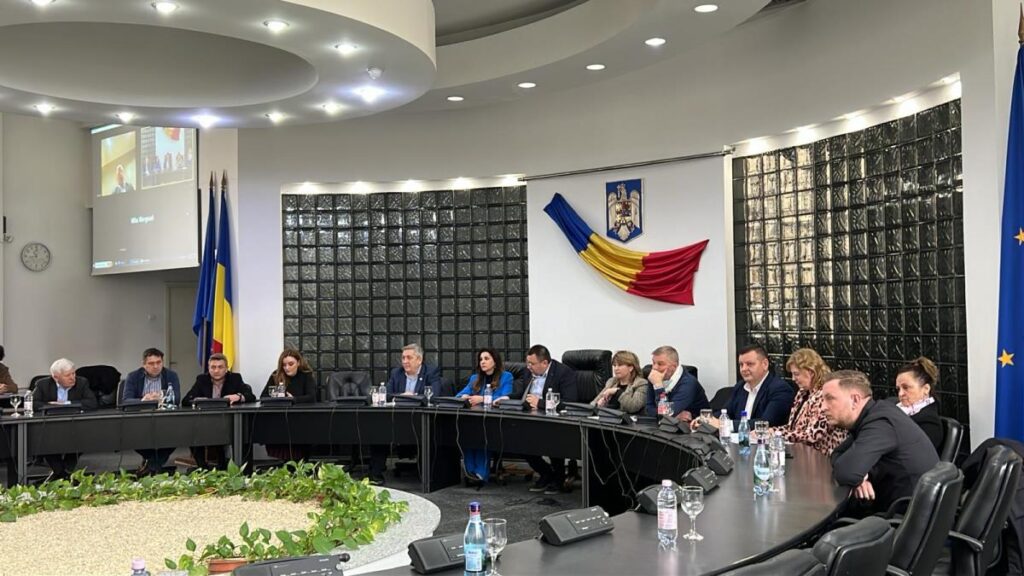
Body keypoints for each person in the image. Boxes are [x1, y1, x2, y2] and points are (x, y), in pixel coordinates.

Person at [823, 369, 939, 514]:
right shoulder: (876, 412)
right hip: (896, 507)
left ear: (855, 400)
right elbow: (837, 453)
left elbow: (846, 473)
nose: (823, 407)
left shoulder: (880, 422)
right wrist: (860, 478)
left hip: (902, 517)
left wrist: (856, 475)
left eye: (830, 398)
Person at [368, 344, 442, 485]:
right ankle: (375, 473)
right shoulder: (397, 373)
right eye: (403, 358)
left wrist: (413, 397)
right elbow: (386, 394)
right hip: (397, 419)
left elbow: (434, 395)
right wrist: (402, 395)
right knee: (379, 430)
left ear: (419, 360)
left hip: (421, 420)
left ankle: (426, 474)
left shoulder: (431, 372)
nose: (405, 361)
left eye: (409, 358)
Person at [692, 343, 795, 432]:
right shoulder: (740, 386)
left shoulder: (780, 389)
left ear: (765, 364)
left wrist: (723, 425)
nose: (744, 369)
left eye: (749, 364)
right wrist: (705, 420)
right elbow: (726, 412)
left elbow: (766, 423)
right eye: (741, 365)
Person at [521, 344, 578, 494]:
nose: (529, 367)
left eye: (532, 363)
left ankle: (559, 479)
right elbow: (522, 394)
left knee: (553, 441)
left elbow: (570, 401)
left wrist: (540, 403)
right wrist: (506, 398)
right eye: (528, 363)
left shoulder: (564, 373)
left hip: (555, 420)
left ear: (545, 363)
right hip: (531, 417)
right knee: (518, 440)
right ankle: (546, 474)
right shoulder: (528, 372)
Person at [182, 353, 254, 469]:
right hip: (206, 422)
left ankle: (242, 470)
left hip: (229, 422)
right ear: (208, 368)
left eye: (220, 367)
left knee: (244, 433)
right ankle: (203, 468)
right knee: (191, 432)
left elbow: (250, 396)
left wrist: (238, 396)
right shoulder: (202, 379)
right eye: (213, 367)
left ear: (226, 369)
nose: (216, 370)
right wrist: (197, 400)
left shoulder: (235, 378)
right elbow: (186, 400)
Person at [456, 348, 514, 483]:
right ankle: (470, 473)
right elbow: (459, 395)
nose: (482, 362)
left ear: (495, 361)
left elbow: (505, 397)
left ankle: (481, 474)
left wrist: (482, 399)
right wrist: (465, 396)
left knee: (482, 435)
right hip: (474, 419)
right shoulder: (474, 378)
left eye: (486, 359)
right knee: (467, 436)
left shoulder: (506, 377)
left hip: (494, 421)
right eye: (481, 359)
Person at [773, 348, 847, 455]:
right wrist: (770, 431)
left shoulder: (825, 395)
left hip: (821, 457)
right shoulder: (802, 393)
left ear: (811, 372)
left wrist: (775, 434)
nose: (793, 378)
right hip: (801, 454)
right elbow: (792, 428)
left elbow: (813, 435)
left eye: (796, 374)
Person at [33, 358, 98, 479]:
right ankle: (62, 473)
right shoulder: (42, 384)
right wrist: (51, 406)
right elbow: (33, 403)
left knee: (83, 436)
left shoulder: (82, 382)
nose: (73, 378)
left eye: (74, 373)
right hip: (50, 426)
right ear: (56, 377)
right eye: (68, 375)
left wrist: (66, 403)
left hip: (74, 425)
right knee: (42, 439)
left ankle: (62, 473)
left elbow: (92, 403)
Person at [122, 348, 181, 474]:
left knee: (177, 434)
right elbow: (126, 400)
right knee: (132, 436)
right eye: (151, 363)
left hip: (165, 419)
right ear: (144, 364)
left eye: (159, 362)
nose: (155, 366)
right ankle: (155, 465)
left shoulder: (171, 375)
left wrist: (161, 396)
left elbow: (177, 399)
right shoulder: (133, 376)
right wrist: (143, 400)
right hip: (140, 419)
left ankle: (151, 466)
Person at [260, 348, 317, 462]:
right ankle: (285, 462)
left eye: (291, 364)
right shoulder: (276, 375)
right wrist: (276, 397)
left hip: (300, 418)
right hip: (279, 418)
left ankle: (298, 463)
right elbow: (263, 396)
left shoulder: (305, 375)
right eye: (284, 365)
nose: (287, 368)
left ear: (298, 363)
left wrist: (293, 399)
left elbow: (311, 397)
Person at [644, 346, 709, 420]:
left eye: (660, 364)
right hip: (667, 423)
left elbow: (665, 412)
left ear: (674, 366)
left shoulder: (688, 383)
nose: (654, 368)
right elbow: (648, 409)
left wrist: (658, 387)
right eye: (653, 363)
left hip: (696, 424)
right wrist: (673, 415)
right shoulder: (655, 377)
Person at [894, 357, 944, 454]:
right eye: (898, 389)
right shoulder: (893, 407)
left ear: (926, 389)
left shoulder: (930, 423)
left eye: (906, 388)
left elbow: (911, 455)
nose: (900, 394)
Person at [592, 350, 648, 415]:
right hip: (608, 418)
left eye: (620, 365)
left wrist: (617, 392)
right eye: (614, 365)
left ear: (630, 368)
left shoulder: (641, 383)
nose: (616, 368)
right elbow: (593, 404)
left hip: (627, 420)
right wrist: (598, 405)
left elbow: (633, 406)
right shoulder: (612, 381)